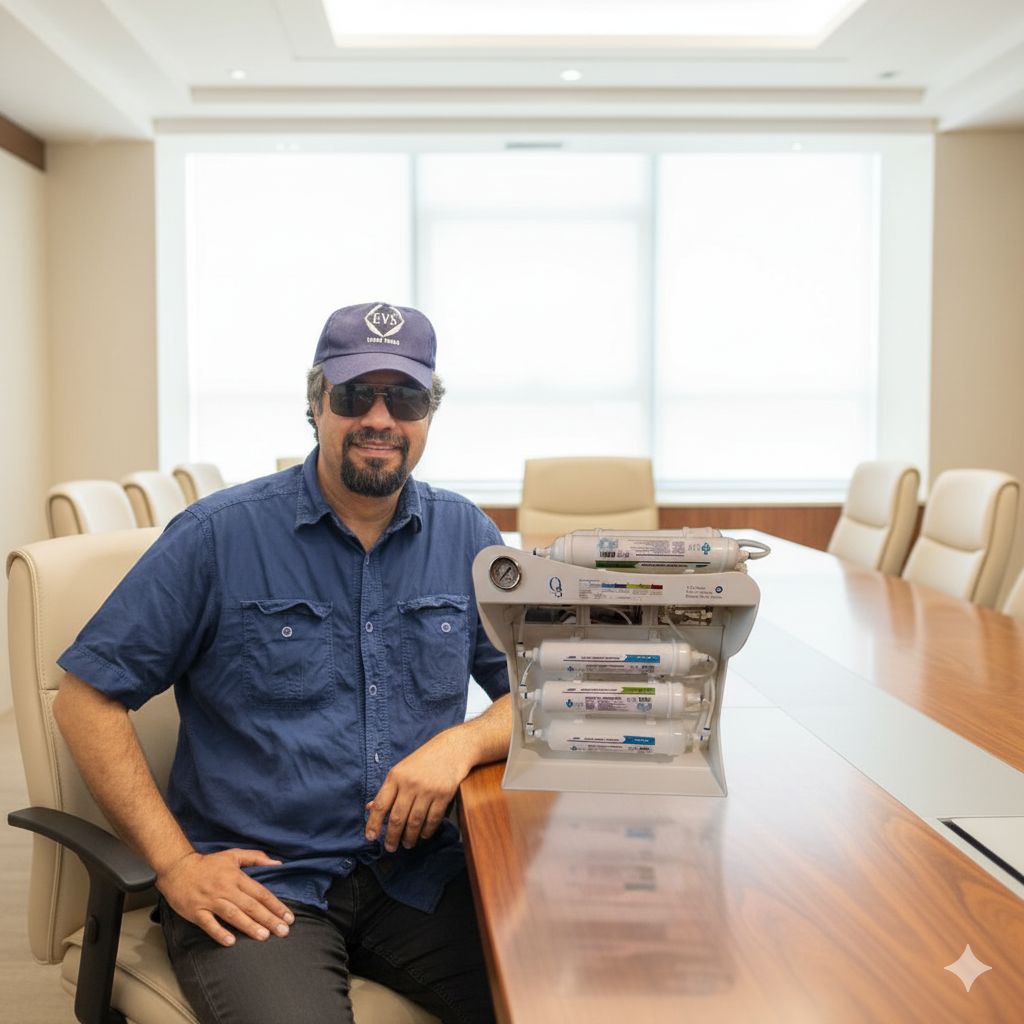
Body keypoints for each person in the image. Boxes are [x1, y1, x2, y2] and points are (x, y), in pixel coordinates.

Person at [53, 301, 512, 1024]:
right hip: (262, 885)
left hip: (418, 877)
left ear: (430, 413)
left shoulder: (466, 534)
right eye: (355, 395)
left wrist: (463, 742)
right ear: (316, 403)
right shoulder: (217, 535)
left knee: (559, 994)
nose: (380, 419)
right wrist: (176, 865)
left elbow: (542, 694)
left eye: (406, 398)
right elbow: (84, 700)